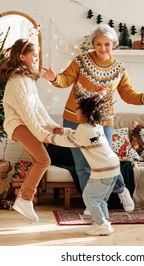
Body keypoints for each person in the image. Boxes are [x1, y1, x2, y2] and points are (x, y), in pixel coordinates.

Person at [41, 24, 144, 214]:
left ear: (113, 45)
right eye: (98, 44)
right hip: (75, 118)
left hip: (103, 122)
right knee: (82, 165)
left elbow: (128, 95)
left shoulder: (118, 68)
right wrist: (54, 78)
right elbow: (65, 79)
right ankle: (91, 202)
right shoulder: (81, 61)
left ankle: (121, 190)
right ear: (93, 44)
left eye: (106, 44)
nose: (102, 48)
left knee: (107, 161)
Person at [0, 38, 64, 222]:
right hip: (18, 125)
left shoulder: (27, 79)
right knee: (44, 160)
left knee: (38, 160)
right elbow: (27, 114)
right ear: (21, 56)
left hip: (24, 124)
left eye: (37, 55)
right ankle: (25, 199)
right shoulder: (17, 82)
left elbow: (38, 108)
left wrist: (52, 126)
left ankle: (24, 199)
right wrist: (43, 134)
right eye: (33, 55)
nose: (36, 59)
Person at [46, 83, 119, 236]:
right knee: (100, 199)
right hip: (113, 168)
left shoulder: (84, 129)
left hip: (102, 171)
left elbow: (69, 142)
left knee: (89, 197)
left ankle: (101, 225)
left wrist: (49, 138)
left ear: (85, 115)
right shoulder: (95, 125)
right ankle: (104, 222)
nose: (75, 113)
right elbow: (78, 136)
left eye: (77, 112)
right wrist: (64, 131)